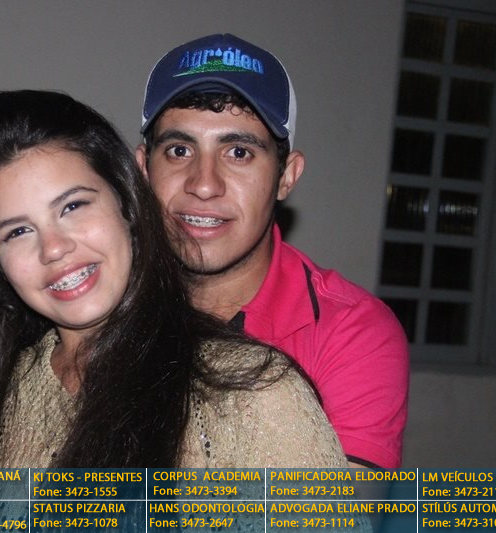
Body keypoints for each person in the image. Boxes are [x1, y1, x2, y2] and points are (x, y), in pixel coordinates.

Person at [0, 89, 349, 469]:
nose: (54, 248)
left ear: (128, 202)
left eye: (73, 206)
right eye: (18, 231)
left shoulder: (250, 396)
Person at [135, 33, 409, 470]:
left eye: (238, 152)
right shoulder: (97, 307)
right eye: (179, 150)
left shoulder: (349, 333)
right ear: (144, 170)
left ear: (287, 176)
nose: (203, 184)